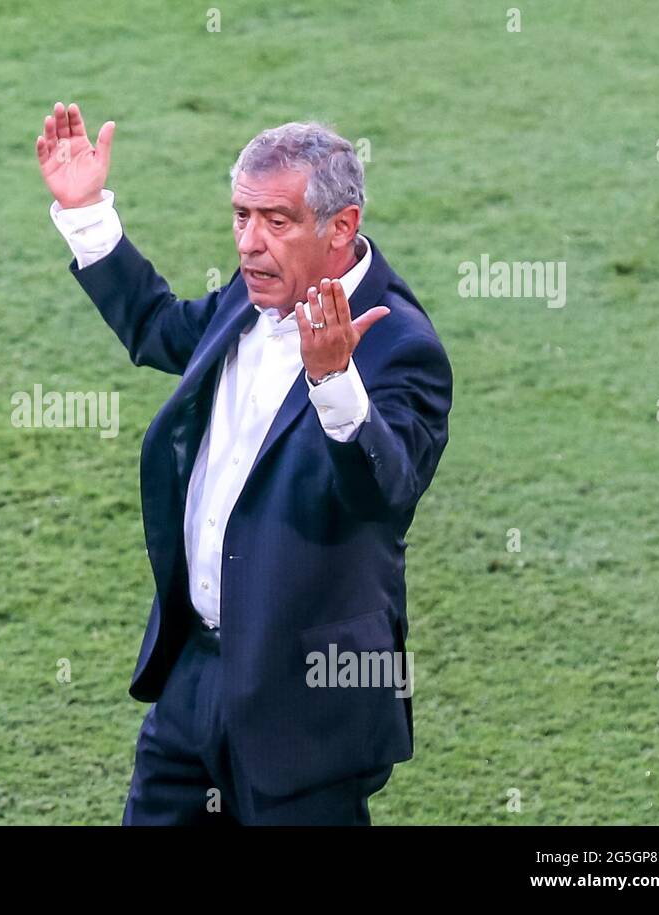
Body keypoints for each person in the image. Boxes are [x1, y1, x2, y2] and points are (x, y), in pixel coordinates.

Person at [35, 102, 453, 825]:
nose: (250, 245)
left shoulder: (401, 346)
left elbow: (384, 492)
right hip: (194, 675)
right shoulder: (253, 295)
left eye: (277, 221)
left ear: (341, 227)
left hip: (307, 704)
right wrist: (87, 214)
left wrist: (333, 382)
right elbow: (162, 329)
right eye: (240, 217)